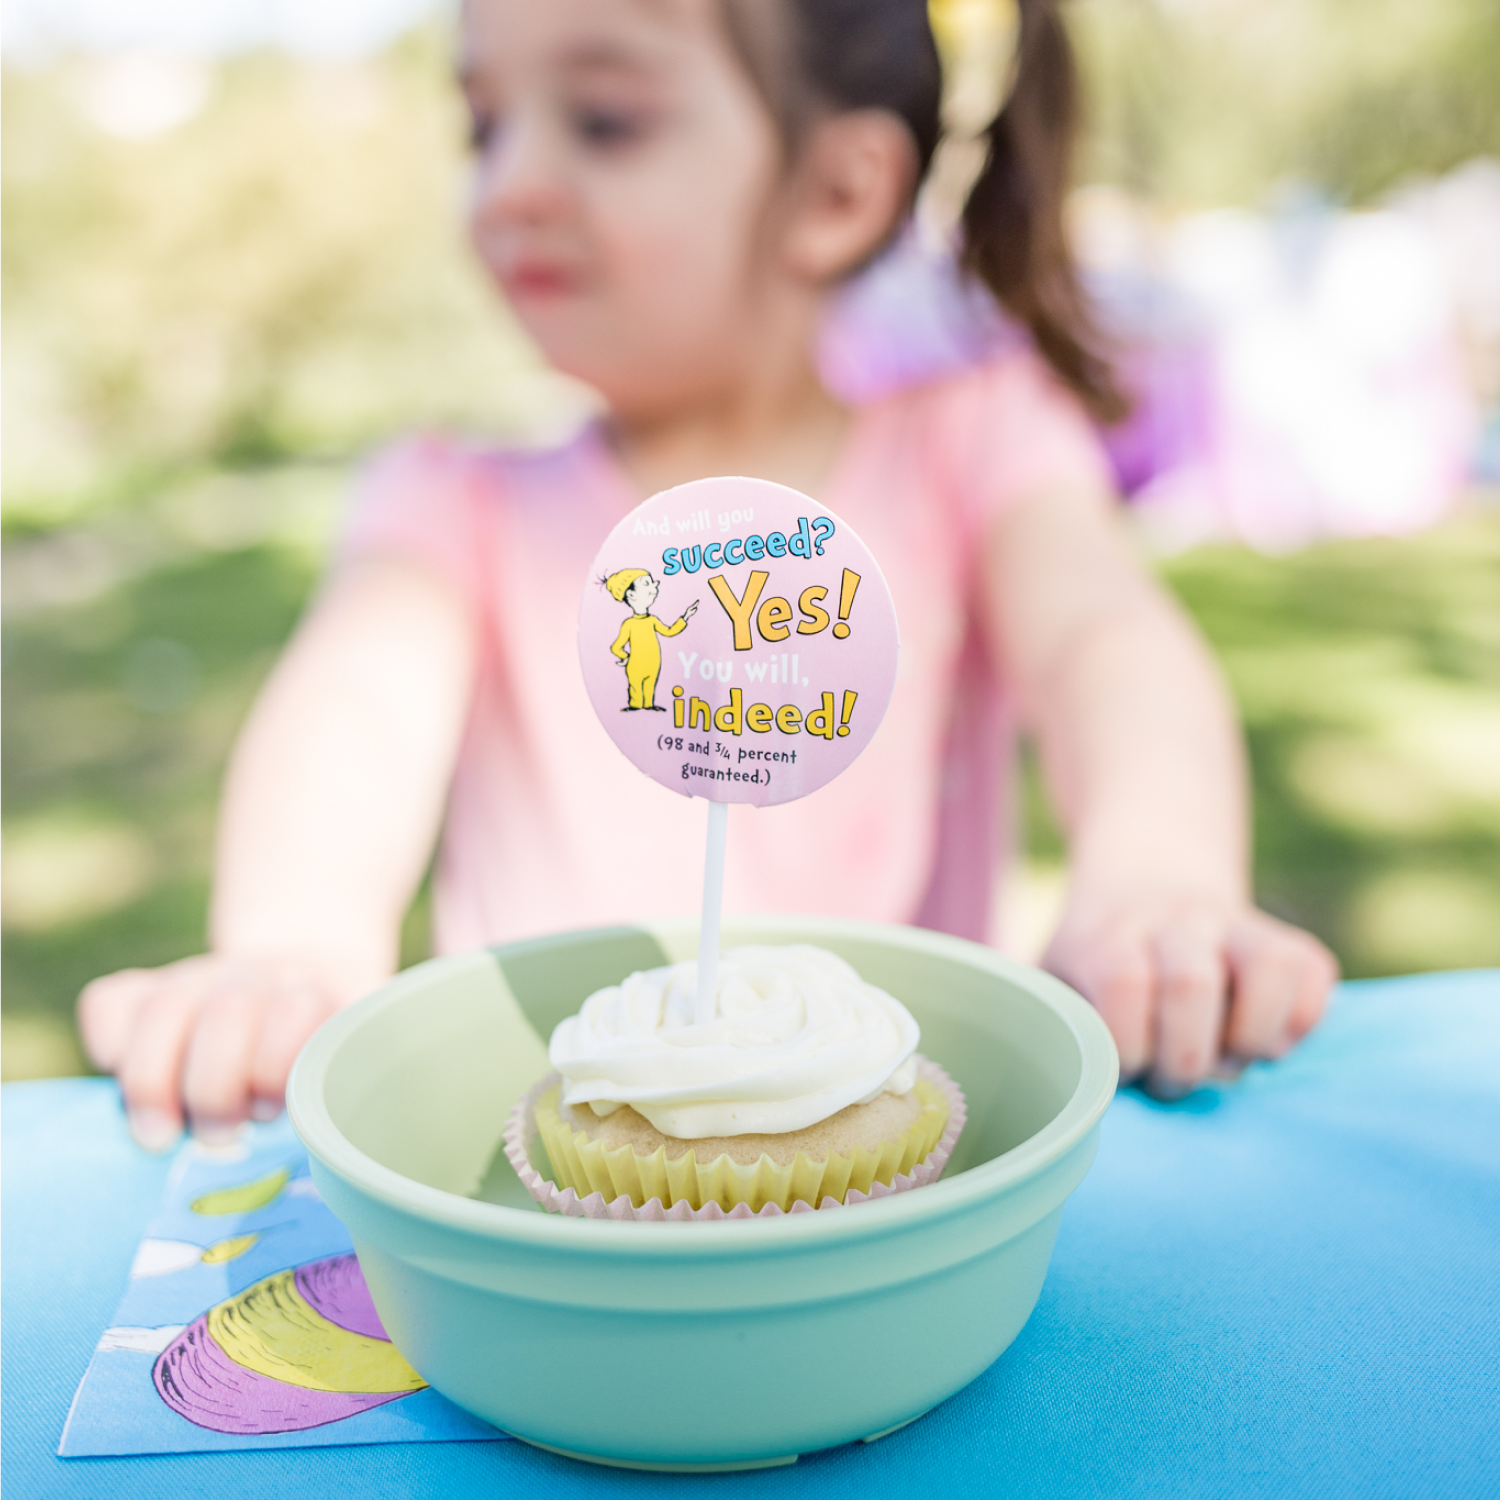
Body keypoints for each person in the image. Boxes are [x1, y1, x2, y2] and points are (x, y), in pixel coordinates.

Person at [78, 0, 1337, 1150]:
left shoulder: (975, 442)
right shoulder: (454, 499)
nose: (509, 184)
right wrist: (293, 944)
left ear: (838, 192)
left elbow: (1101, 642)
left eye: (605, 121)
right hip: (562, 1203)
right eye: (483, 125)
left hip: (897, 1194)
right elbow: (357, 706)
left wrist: (1158, 875)